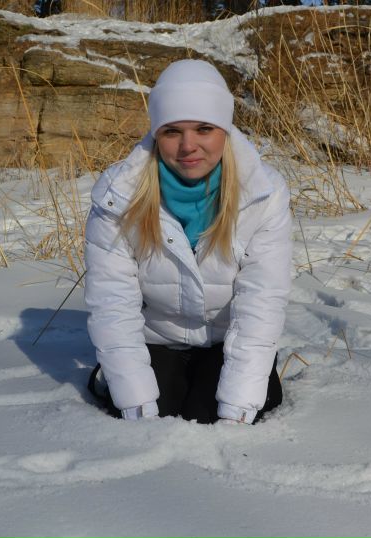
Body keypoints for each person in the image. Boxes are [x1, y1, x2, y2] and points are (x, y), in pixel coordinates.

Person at [84, 59, 292, 425]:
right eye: (172, 131)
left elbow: (262, 302)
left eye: (204, 128)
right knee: (149, 410)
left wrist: (238, 407)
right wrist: (135, 404)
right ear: (156, 134)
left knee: (213, 413)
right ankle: (112, 380)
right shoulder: (120, 195)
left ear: (224, 130)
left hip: (227, 342)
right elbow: (112, 303)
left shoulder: (262, 194)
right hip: (156, 339)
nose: (188, 145)